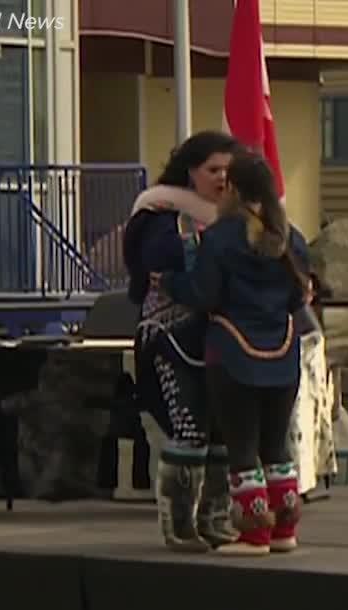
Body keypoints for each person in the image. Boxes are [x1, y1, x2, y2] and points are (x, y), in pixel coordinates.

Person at [159, 151, 311, 556]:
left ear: (234, 189)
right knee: (276, 446)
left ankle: (253, 534)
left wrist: (171, 283)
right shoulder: (290, 237)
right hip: (283, 350)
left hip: (233, 351)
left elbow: (205, 293)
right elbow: (299, 296)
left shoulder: (222, 237)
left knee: (242, 445)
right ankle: (283, 531)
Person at [123, 129, 240, 552]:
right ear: (191, 172)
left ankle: (215, 517)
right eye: (214, 170)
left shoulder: (238, 217)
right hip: (172, 338)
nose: (222, 178)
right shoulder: (161, 215)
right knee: (189, 426)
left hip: (224, 337)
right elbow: (161, 262)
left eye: (229, 170)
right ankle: (179, 524)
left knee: (223, 428)